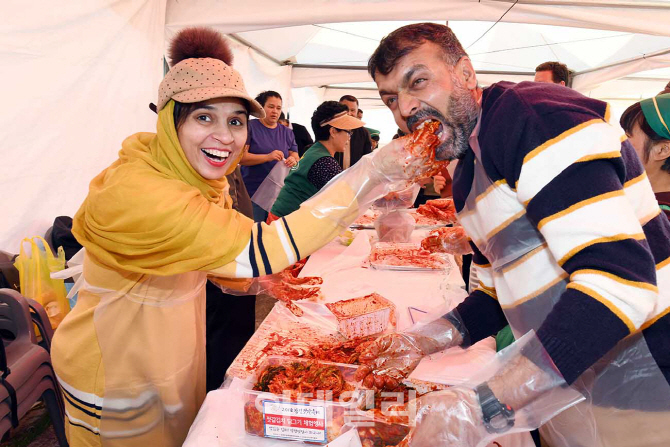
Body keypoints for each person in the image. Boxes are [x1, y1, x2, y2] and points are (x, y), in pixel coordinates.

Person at [50, 27, 429, 447]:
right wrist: (372, 173)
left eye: (235, 120)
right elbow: (259, 249)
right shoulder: (141, 191)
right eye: (203, 117)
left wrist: (252, 281)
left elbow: (194, 256)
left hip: (167, 359)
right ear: (169, 120)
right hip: (114, 375)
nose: (226, 136)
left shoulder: (192, 179)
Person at [360, 22, 670, 446]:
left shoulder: (536, 119)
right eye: (391, 98)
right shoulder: (469, 162)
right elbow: (495, 293)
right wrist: (423, 340)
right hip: (567, 368)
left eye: (419, 82)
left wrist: (489, 401)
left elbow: (621, 282)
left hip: (644, 377)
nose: (406, 109)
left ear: (466, 74)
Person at [270, 101, 364, 219]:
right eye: (348, 132)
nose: (349, 138)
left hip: (282, 217)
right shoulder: (325, 162)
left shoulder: (315, 150)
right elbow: (346, 196)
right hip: (286, 223)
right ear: (333, 132)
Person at [240, 90, 299, 222]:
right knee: (254, 230)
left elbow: (295, 155)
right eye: (271, 107)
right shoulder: (250, 127)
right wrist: (268, 157)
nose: (275, 111)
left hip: (278, 193)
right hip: (253, 191)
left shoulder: (286, 132)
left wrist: (293, 159)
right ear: (261, 107)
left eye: (278, 108)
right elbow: (241, 158)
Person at [620, 94, 670, 219]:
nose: (618, 143)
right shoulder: (637, 197)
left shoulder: (659, 217)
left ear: (663, 150)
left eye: (626, 137)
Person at [336, 94, 372, 168]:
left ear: (357, 112)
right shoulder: (331, 130)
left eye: (352, 110)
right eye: (345, 109)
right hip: (333, 176)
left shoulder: (363, 133)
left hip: (355, 176)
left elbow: (367, 157)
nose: (349, 113)